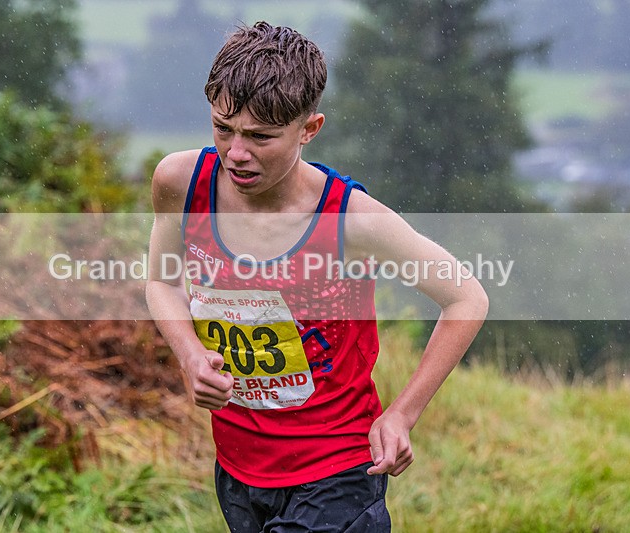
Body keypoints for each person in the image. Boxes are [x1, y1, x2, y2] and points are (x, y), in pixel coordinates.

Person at [146, 21, 488, 532]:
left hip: (337, 471)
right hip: (238, 464)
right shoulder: (180, 182)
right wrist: (189, 352)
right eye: (223, 128)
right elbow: (162, 281)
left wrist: (401, 415)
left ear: (309, 129)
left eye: (261, 137)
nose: (236, 152)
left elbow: (465, 299)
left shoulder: (352, 219)